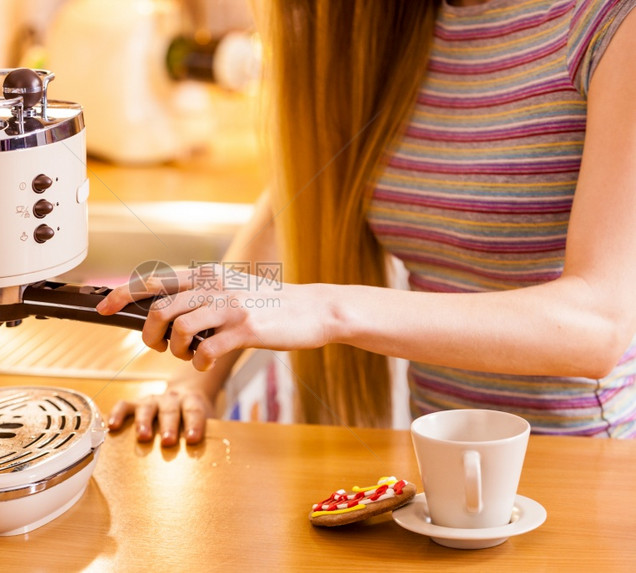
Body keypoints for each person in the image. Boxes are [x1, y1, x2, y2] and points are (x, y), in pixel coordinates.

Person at [96, 0, 636, 441]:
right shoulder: (397, 25)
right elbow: (299, 198)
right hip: (445, 453)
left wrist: (329, 308)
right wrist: (195, 382)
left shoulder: (611, 24)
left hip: (590, 466)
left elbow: (598, 326)